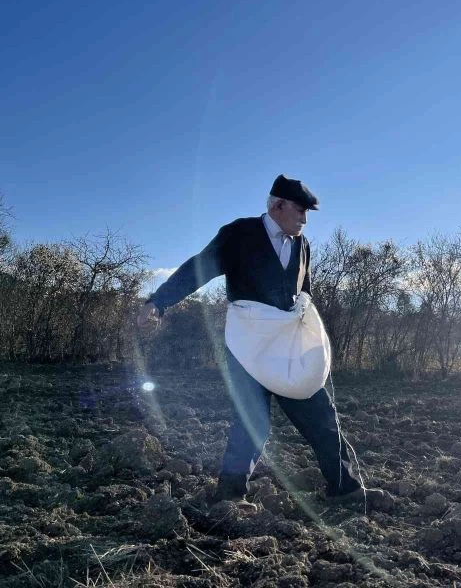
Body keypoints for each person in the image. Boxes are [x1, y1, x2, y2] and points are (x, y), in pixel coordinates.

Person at [137, 174, 393, 513]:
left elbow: (306, 294)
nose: (304, 219)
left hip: (289, 348)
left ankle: (345, 491)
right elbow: (197, 269)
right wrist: (158, 302)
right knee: (251, 421)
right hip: (249, 348)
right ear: (277, 206)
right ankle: (229, 497)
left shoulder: (302, 245)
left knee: (321, 416)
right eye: (300, 211)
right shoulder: (239, 234)